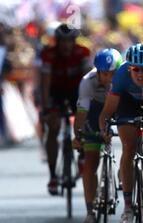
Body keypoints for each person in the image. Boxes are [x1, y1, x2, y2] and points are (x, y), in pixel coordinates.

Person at [98, 43, 143, 223]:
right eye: (136, 69)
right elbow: (107, 111)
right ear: (129, 67)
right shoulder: (120, 75)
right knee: (129, 147)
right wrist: (104, 128)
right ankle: (127, 208)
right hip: (128, 106)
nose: (140, 74)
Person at [72, 48, 123, 223]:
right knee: (91, 161)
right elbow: (82, 113)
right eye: (105, 74)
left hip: (121, 107)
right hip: (95, 111)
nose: (109, 78)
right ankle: (90, 213)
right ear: (98, 72)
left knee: (131, 139)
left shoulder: (126, 76)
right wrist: (78, 135)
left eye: (113, 74)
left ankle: (124, 173)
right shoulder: (87, 82)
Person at [40, 23, 91, 195]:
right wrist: (47, 108)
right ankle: (53, 175)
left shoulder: (83, 52)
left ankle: (82, 154)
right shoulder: (48, 54)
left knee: (83, 122)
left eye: (70, 41)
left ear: (74, 41)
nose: (66, 45)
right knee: (53, 128)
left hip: (77, 91)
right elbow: (45, 83)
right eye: (63, 41)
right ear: (57, 41)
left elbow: (88, 79)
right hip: (56, 92)